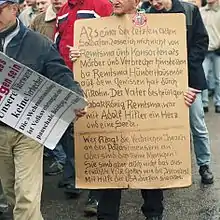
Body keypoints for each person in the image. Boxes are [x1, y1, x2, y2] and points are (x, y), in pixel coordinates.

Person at [68, 0, 199, 219]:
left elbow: (168, 67)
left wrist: (182, 91)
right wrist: (80, 59)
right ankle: (107, 215)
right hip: (112, 118)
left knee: (149, 164)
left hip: (148, 115)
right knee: (111, 168)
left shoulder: (158, 29)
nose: (114, 1)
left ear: (136, 1)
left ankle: (154, 213)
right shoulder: (96, 31)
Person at [0, 0, 86, 219]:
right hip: (1, 131)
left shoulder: (38, 43)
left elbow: (60, 73)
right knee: (11, 192)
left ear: (13, 9)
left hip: (29, 129)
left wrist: (75, 97)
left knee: (26, 196)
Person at [54, 0, 112, 216]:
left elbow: (115, 43)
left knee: (95, 139)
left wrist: (89, 56)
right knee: (71, 136)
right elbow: (56, 44)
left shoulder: (101, 5)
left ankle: (96, 195)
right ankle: (74, 179)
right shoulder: (63, 10)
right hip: (67, 83)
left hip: (95, 83)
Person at [31, 0, 67, 177]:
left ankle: (68, 167)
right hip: (45, 79)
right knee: (49, 121)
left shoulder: (71, 15)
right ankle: (61, 160)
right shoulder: (39, 21)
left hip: (65, 75)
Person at [200, 0, 220, 113]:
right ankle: (204, 103)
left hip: (218, 51)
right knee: (204, 76)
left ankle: (218, 103)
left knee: (219, 79)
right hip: (204, 51)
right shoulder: (201, 11)